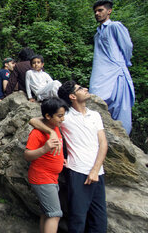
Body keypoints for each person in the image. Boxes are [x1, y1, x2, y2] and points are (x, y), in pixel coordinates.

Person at [29, 81, 108, 232]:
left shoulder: (95, 115)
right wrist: (51, 131)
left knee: (99, 220)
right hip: (77, 171)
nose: (85, 89)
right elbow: (33, 120)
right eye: (80, 88)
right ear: (72, 96)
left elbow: (103, 143)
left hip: (98, 172)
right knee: (78, 218)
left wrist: (95, 170)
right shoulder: (65, 117)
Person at [89, 0, 134, 134]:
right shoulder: (97, 34)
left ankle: (122, 134)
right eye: (95, 11)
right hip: (101, 71)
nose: (97, 13)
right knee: (95, 96)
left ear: (109, 11)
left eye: (100, 10)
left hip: (116, 69)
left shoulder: (115, 26)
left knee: (121, 104)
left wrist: (122, 63)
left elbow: (127, 46)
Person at [24, 98, 68, 233]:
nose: (63, 119)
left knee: (46, 213)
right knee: (54, 214)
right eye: (59, 116)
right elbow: (27, 155)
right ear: (48, 116)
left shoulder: (54, 127)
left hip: (51, 177)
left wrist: (61, 160)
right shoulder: (37, 133)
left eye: (63, 115)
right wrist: (44, 148)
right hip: (42, 178)